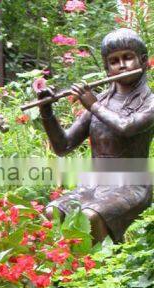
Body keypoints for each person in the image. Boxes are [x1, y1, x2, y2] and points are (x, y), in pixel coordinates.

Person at [37, 28, 154, 243]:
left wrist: (94, 105)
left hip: (132, 185)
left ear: (143, 61)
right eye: (114, 61)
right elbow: (63, 146)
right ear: (107, 68)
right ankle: (56, 268)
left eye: (128, 57)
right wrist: (47, 112)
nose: (121, 65)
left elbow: (127, 127)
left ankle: (88, 270)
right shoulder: (102, 100)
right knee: (52, 211)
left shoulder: (150, 102)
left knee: (91, 216)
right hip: (94, 184)